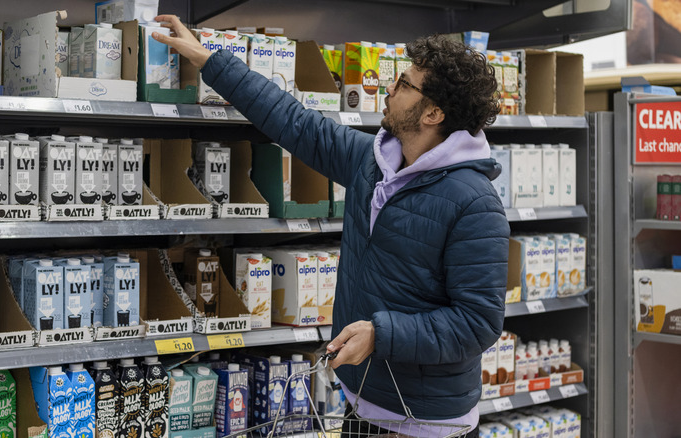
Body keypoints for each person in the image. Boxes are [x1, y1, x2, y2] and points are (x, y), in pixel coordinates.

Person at [153, 17, 510, 438]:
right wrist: (210, 60)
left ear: (433, 113)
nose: (390, 89)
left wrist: (381, 334)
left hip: (427, 421)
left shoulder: (474, 202)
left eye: (405, 84)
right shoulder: (374, 163)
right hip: (365, 401)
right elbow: (295, 122)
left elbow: (477, 323)